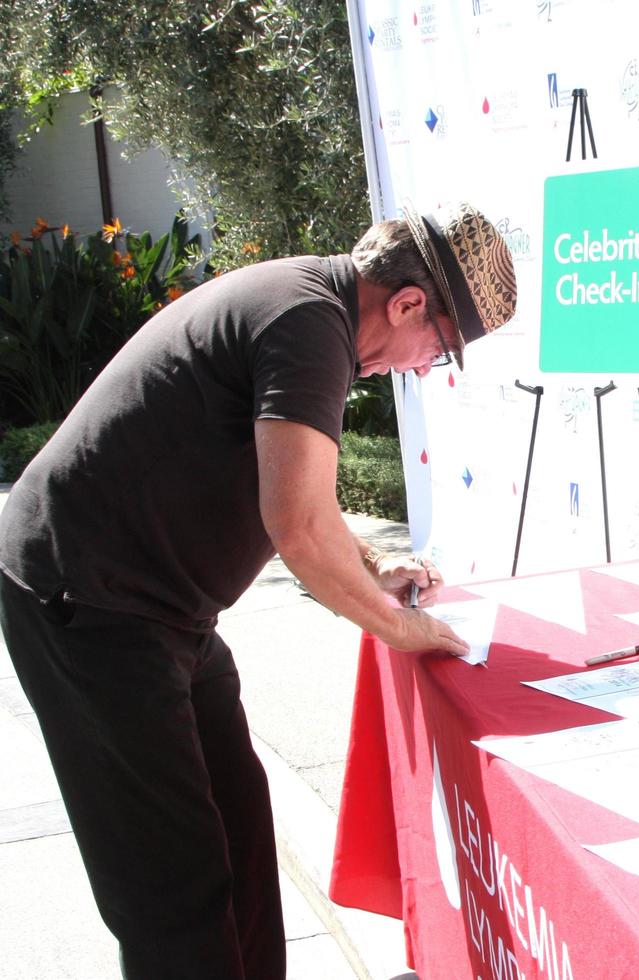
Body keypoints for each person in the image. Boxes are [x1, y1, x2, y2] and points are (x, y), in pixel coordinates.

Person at [0, 200, 517, 979]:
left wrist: (374, 569)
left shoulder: (311, 308)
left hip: (159, 609)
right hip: (88, 602)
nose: (420, 369)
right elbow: (298, 529)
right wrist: (396, 626)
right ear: (408, 303)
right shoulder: (309, 323)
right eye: (436, 350)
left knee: (239, 833)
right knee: (174, 887)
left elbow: (305, 494)